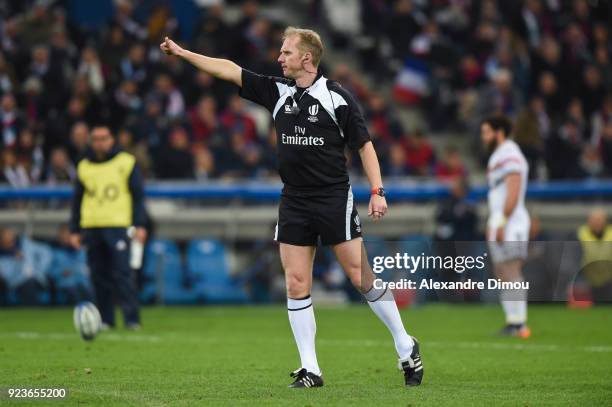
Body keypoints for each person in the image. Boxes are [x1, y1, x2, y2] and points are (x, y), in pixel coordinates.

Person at [161, 27, 423, 388]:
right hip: (294, 199)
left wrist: (377, 191)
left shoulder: (337, 98)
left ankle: (405, 344)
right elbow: (228, 69)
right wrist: (184, 53)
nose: (279, 58)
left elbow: (365, 146)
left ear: (307, 59)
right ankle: (310, 369)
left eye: (285, 52)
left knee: (360, 277)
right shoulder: (277, 91)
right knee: (296, 281)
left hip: (333, 196)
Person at [69, 125, 147, 330]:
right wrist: (74, 229)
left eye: (104, 138)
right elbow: (77, 199)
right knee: (98, 275)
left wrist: (139, 224)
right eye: (95, 139)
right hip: (92, 224)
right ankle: (106, 319)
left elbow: (138, 196)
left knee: (122, 274)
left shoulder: (126, 162)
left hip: (118, 224)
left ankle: (132, 319)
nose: (100, 143)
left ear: (112, 139)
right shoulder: (84, 165)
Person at [481, 116, 531, 338]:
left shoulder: (510, 153)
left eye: (487, 132)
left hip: (511, 221)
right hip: (500, 220)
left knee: (511, 270)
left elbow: (514, 189)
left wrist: (502, 221)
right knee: (501, 272)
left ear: (499, 131)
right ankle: (512, 321)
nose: (484, 137)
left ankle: (520, 323)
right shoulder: (498, 156)